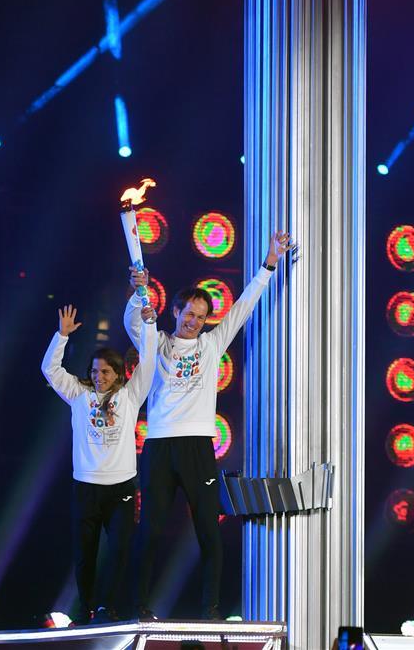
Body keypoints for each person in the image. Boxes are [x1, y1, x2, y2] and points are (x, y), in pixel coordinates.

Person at [124, 231, 293, 620]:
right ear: (176, 312)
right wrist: (137, 291)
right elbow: (132, 322)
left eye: (201, 317)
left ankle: (211, 609)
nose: (194, 322)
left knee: (208, 530)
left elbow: (244, 306)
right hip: (159, 446)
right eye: (189, 314)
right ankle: (139, 607)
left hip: (198, 447)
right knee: (149, 529)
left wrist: (270, 264)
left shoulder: (211, 345)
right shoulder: (157, 343)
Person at [41, 303, 157, 625]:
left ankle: (106, 606)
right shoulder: (79, 395)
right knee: (85, 554)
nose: (98, 377)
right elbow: (50, 369)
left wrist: (149, 326)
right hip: (86, 487)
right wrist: (62, 336)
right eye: (94, 371)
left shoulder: (131, 396)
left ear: (118, 373)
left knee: (118, 551)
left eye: (105, 372)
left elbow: (149, 362)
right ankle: (85, 609)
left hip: (121, 489)